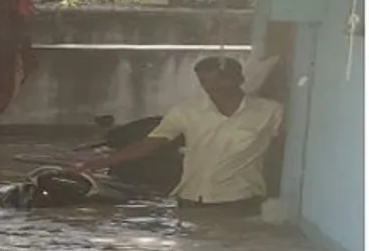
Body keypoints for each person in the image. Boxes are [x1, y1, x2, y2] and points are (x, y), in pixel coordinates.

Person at [78, 57, 282, 215]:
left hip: (242, 201)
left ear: (239, 79)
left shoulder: (270, 112)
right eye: (205, 82)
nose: (213, 88)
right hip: (192, 200)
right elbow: (151, 143)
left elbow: (281, 150)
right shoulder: (186, 111)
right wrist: (100, 163)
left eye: (220, 81)